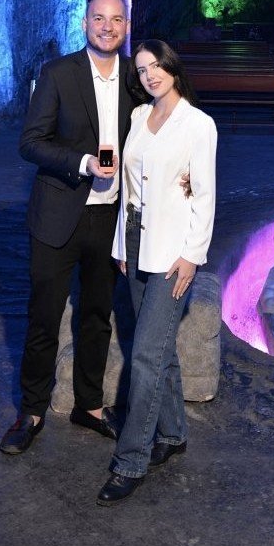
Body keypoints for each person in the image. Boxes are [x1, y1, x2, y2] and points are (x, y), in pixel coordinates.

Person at [0, 0, 137, 455]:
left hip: (109, 218)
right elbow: (30, 142)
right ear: (84, 24)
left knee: (97, 316)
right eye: (99, 18)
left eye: (116, 19)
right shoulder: (58, 73)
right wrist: (82, 163)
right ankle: (31, 411)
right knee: (44, 316)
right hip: (58, 214)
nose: (107, 27)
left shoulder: (137, 78)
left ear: (126, 25)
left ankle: (90, 406)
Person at [96, 39, 217, 506]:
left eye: (156, 66)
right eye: (142, 69)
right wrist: (120, 244)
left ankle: (131, 460)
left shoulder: (198, 124)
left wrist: (192, 256)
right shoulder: (137, 117)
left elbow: (204, 195)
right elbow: (130, 187)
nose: (149, 75)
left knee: (145, 355)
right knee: (160, 349)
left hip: (172, 255)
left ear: (172, 67)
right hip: (134, 242)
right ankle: (173, 433)